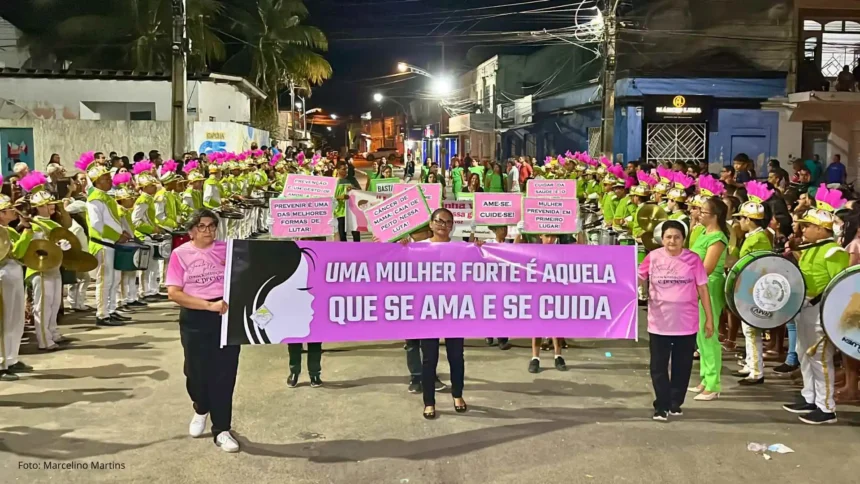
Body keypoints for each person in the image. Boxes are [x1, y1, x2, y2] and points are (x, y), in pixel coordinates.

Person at [166, 209, 240, 452]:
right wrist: (208, 305)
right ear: (191, 231)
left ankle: (222, 429)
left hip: (225, 316)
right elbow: (174, 293)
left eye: (211, 226)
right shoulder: (180, 254)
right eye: (201, 226)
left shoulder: (227, 250)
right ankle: (201, 407)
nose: (208, 231)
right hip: (196, 316)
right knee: (196, 373)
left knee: (224, 373)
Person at [781, 186, 849, 424]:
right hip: (804, 308)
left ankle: (826, 407)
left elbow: (840, 287)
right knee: (803, 353)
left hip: (821, 312)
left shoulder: (833, 252)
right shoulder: (812, 249)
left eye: (808, 226)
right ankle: (809, 396)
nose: (803, 228)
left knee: (820, 358)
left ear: (822, 230)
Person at [639, 220, 713, 421]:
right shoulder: (653, 257)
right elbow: (637, 277)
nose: (672, 241)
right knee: (658, 366)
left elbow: (703, 288)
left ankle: (675, 402)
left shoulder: (693, 259)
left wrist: (709, 319)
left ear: (684, 239)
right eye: (668, 237)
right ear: (662, 239)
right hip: (659, 323)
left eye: (677, 237)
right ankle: (661, 405)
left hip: (686, 324)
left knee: (683, 366)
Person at [403, 208, 467, 419]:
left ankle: (457, 395)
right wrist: (399, 249)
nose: (444, 225)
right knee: (429, 359)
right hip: (427, 311)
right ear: (430, 224)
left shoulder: (462, 247)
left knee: (456, 356)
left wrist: (480, 248)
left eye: (449, 222)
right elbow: (395, 266)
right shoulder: (417, 248)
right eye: (439, 221)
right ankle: (429, 402)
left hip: (454, 310)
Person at [731, 181, 775, 385]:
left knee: (751, 329)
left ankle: (756, 371)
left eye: (741, 219)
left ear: (749, 220)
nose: (739, 222)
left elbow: (758, 266)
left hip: (753, 287)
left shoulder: (758, 240)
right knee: (748, 328)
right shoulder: (755, 237)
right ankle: (750, 364)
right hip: (747, 286)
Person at [688, 195, 728, 401]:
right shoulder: (703, 233)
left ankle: (713, 383)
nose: (699, 214)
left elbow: (707, 268)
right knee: (699, 336)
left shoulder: (718, 238)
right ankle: (705, 377)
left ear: (715, 216)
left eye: (703, 212)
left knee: (708, 334)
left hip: (708, 286)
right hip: (695, 285)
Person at [20, 171, 66, 350]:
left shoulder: (52, 222)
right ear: (38, 207)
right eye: (47, 205)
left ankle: (53, 332)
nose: (51, 207)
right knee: (43, 305)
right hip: (39, 269)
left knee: (55, 303)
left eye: (51, 204)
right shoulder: (34, 223)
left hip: (54, 266)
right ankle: (44, 340)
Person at [0, 177, 32, 380]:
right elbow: (18, 252)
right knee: (5, 319)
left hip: (13, 273)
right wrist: (27, 233)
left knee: (15, 318)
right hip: (4, 274)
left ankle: (11, 357)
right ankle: (2, 362)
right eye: (9, 209)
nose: (14, 211)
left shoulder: (9, 229)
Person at [836, 206, 860, 402]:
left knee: (850, 343)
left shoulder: (855, 245)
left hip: (854, 298)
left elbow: (849, 271)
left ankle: (851, 386)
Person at [334, 162, 360, 242]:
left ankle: (358, 251)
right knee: (342, 235)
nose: (346, 171)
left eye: (347, 168)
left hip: (352, 211)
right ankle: (344, 251)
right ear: (338, 170)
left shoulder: (352, 179)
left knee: (356, 234)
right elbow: (331, 197)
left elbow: (360, 192)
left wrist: (353, 189)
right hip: (340, 212)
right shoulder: (334, 182)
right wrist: (341, 197)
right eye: (344, 169)